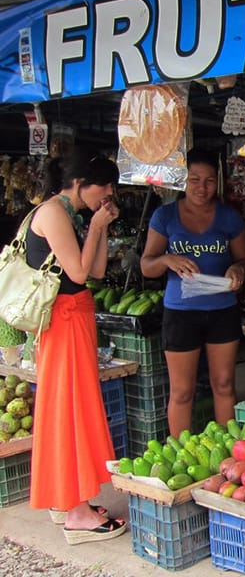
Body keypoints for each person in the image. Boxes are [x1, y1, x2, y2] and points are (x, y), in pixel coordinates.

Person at [27, 150, 127, 544]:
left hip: (74, 318)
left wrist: (100, 228)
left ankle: (66, 499)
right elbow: (79, 272)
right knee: (69, 409)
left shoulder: (69, 214)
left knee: (73, 407)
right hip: (64, 322)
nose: (108, 196)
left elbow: (97, 272)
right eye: (105, 188)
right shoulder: (53, 213)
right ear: (82, 183)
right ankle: (77, 512)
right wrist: (98, 223)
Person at [140, 148, 245, 436]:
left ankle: (230, 447)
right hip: (180, 313)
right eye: (194, 180)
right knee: (181, 391)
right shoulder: (165, 216)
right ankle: (181, 451)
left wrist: (238, 270)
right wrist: (167, 259)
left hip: (222, 311)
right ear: (183, 181)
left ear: (218, 182)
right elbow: (146, 266)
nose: (202, 188)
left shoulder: (228, 217)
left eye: (210, 181)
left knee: (225, 384)